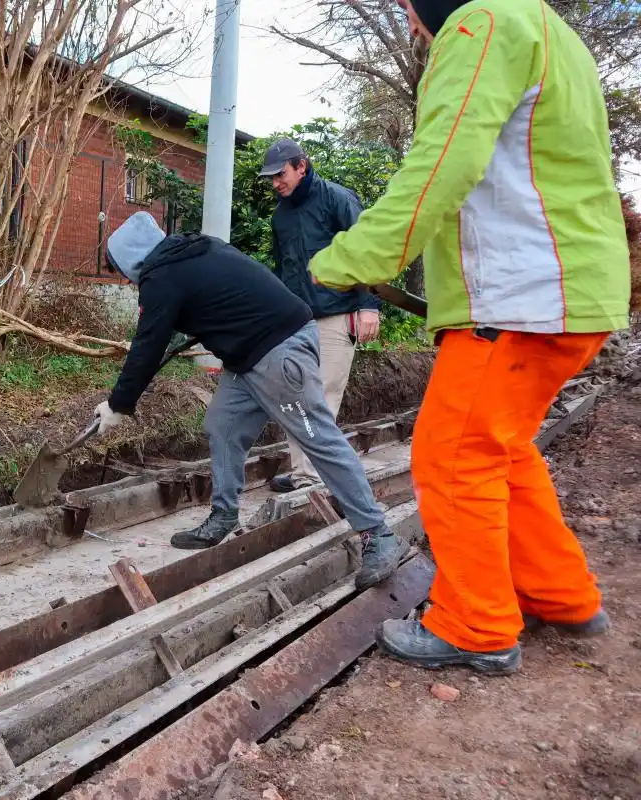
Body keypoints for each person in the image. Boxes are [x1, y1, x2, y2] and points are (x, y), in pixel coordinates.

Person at [309, 0, 630, 675]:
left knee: (450, 457)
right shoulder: (549, 29)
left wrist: (349, 261)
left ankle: (476, 623)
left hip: (522, 294)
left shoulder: (483, 23)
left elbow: (441, 164)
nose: (412, 26)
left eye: (410, 11)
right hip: (572, 290)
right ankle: (559, 594)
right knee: (502, 453)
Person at [95, 210, 408, 590]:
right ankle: (224, 516)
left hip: (279, 354)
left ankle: (378, 534)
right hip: (249, 358)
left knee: (317, 439)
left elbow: (147, 346)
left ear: (133, 260)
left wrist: (118, 404)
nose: (126, 282)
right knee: (223, 425)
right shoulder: (193, 251)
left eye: (122, 273)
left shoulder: (162, 277)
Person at [259, 138, 383, 493]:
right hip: (297, 321)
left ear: (301, 166)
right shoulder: (281, 215)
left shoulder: (337, 199)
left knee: (322, 398)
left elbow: (366, 251)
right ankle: (304, 472)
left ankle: (309, 475)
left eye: (280, 175)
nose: (276, 183)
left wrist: (369, 305)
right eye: (271, 178)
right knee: (293, 394)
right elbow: (284, 268)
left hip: (336, 315)